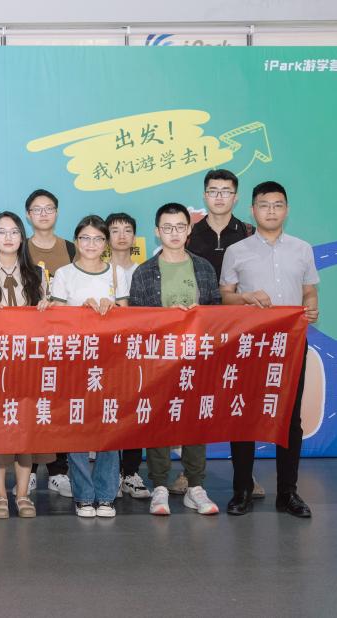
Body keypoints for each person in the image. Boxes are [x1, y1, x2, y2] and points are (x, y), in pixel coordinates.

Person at [220, 181, 319, 518]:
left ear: (286, 210)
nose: (271, 211)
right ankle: (242, 490)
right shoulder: (237, 251)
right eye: (264, 205)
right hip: (249, 344)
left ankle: (288, 493)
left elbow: (309, 291)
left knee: (289, 418)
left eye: (278, 205)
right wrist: (245, 297)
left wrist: (312, 304)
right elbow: (225, 296)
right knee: (244, 416)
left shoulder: (302, 249)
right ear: (253, 210)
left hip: (290, 344)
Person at [128, 203, 221, 516]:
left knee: (195, 421)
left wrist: (199, 315)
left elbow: (217, 312)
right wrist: (166, 318)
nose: (174, 233)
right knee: (159, 423)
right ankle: (159, 487)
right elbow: (136, 321)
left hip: (196, 358)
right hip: (158, 360)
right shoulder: (144, 272)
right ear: (157, 231)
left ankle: (196, 486)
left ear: (189, 229)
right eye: (167, 228)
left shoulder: (204, 268)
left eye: (180, 226)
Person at [184, 169, 265, 500]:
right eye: (213, 191)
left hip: (240, 330)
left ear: (236, 197)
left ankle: (245, 474)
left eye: (226, 191)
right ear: (204, 195)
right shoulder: (189, 233)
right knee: (194, 400)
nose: (219, 197)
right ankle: (191, 474)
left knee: (239, 400)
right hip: (199, 329)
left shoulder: (249, 234)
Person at [0, 212, 54, 518]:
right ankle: (0, 495)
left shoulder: (37, 274)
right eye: (1, 231)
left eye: (14, 231)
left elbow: (49, 322)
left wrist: (46, 308)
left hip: (28, 363)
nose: (8, 237)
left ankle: (23, 494)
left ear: (22, 237)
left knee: (25, 428)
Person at [49, 215, 126, 518]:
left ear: (106, 243)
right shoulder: (64, 274)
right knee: (77, 426)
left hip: (110, 362)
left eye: (98, 239)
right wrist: (79, 312)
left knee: (110, 426)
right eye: (85, 238)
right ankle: (83, 494)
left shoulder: (117, 273)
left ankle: (106, 495)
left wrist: (113, 308)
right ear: (76, 241)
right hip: (75, 361)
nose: (91, 244)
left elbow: (129, 318)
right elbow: (55, 319)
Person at [23, 188, 75, 498]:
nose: (43, 214)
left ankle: (59, 471)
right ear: (28, 215)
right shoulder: (20, 248)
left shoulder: (70, 247)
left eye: (49, 208)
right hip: (29, 341)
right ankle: (27, 470)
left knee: (59, 405)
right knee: (30, 405)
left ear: (56, 212)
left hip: (62, 340)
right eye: (37, 209)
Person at [105, 212, 150, 500]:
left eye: (127, 230)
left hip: (136, 350)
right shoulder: (97, 269)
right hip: (105, 352)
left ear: (134, 236)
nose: (122, 235)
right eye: (115, 230)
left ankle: (131, 472)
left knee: (134, 409)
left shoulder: (144, 272)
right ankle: (110, 474)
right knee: (108, 410)